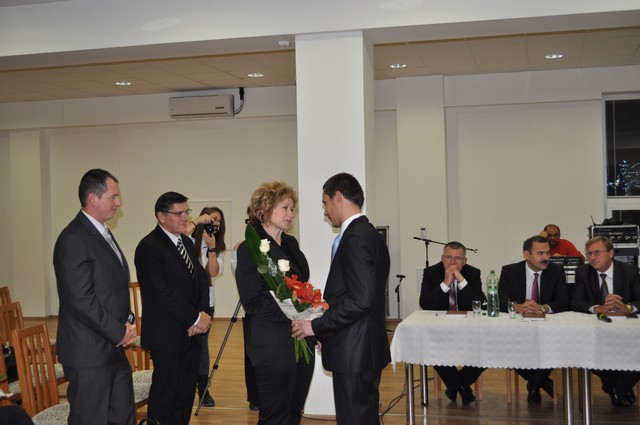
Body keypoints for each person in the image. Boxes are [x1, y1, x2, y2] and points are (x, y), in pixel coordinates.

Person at [292, 172, 391, 425]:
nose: (325, 212)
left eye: (325, 203)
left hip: (355, 352)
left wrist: (316, 326)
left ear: (338, 197)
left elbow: (361, 300)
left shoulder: (355, 238)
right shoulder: (369, 234)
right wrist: (329, 334)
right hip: (361, 347)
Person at [53, 168, 136, 425]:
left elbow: (112, 288)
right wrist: (118, 331)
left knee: (122, 417)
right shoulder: (73, 238)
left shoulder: (102, 232)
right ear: (93, 199)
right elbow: (81, 300)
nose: (118, 202)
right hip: (88, 353)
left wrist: (127, 322)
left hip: (112, 348)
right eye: (113, 197)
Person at [235, 181, 315, 424]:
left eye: (292, 209)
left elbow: (302, 284)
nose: (290, 214)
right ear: (264, 209)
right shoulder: (249, 248)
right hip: (271, 341)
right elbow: (253, 301)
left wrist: (309, 315)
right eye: (285, 208)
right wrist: (295, 314)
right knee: (274, 417)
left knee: (293, 413)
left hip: (301, 338)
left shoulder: (290, 243)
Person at [134, 192, 212, 425]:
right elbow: (161, 293)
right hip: (166, 335)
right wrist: (194, 318)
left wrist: (202, 316)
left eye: (186, 212)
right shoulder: (148, 247)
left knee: (185, 394)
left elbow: (202, 281)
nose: (185, 217)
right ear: (161, 216)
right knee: (166, 394)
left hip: (191, 334)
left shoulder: (186, 242)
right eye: (178, 213)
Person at [497, 235, 568, 404]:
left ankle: (535, 386)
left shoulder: (556, 271)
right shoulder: (510, 271)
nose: (546, 257)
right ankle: (540, 382)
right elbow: (499, 302)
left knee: (555, 346)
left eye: (548, 253)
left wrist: (542, 308)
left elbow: (564, 301)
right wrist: (518, 307)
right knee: (506, 348)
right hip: (518, 329)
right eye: (540, 253)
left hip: (546, 329)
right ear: (527, 255)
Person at [571, 236, 640, 407]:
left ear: (610, 253)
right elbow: (575, 302)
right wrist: (598, 308)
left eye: (597, 253)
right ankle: (617, 388)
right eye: (589, 254)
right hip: (597, 331)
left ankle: (618, 388)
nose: (592, 258)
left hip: (626, 331)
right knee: (585, 351)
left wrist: (627, 308)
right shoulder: (583, 272)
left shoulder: (630, 271)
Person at [419, 241, 486, 405]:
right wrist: (445, 283)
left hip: (468, 327)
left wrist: (461, 280)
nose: (453, 262)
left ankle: (456, 385)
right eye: (449, 257)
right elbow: (425, 304)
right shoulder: (431, 273)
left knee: (486, 348)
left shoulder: (473, 273)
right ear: (442, 258)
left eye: (458, 258)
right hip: (440, 328)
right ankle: (461, 387)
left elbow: (478, 303)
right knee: (430, 346)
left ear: (465, 261)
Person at [185, 207, 227, 408]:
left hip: (206, 303)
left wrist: (211, 249)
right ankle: (184, 384)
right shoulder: (188, 239)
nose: (215, 222)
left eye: (219, 220)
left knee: (202, 347)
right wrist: (196, 221)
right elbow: (175, 236)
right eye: (212, 218)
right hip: (184, 301)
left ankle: (202, 388)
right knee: (183, 345)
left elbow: (213, 272)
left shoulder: (218, 247)